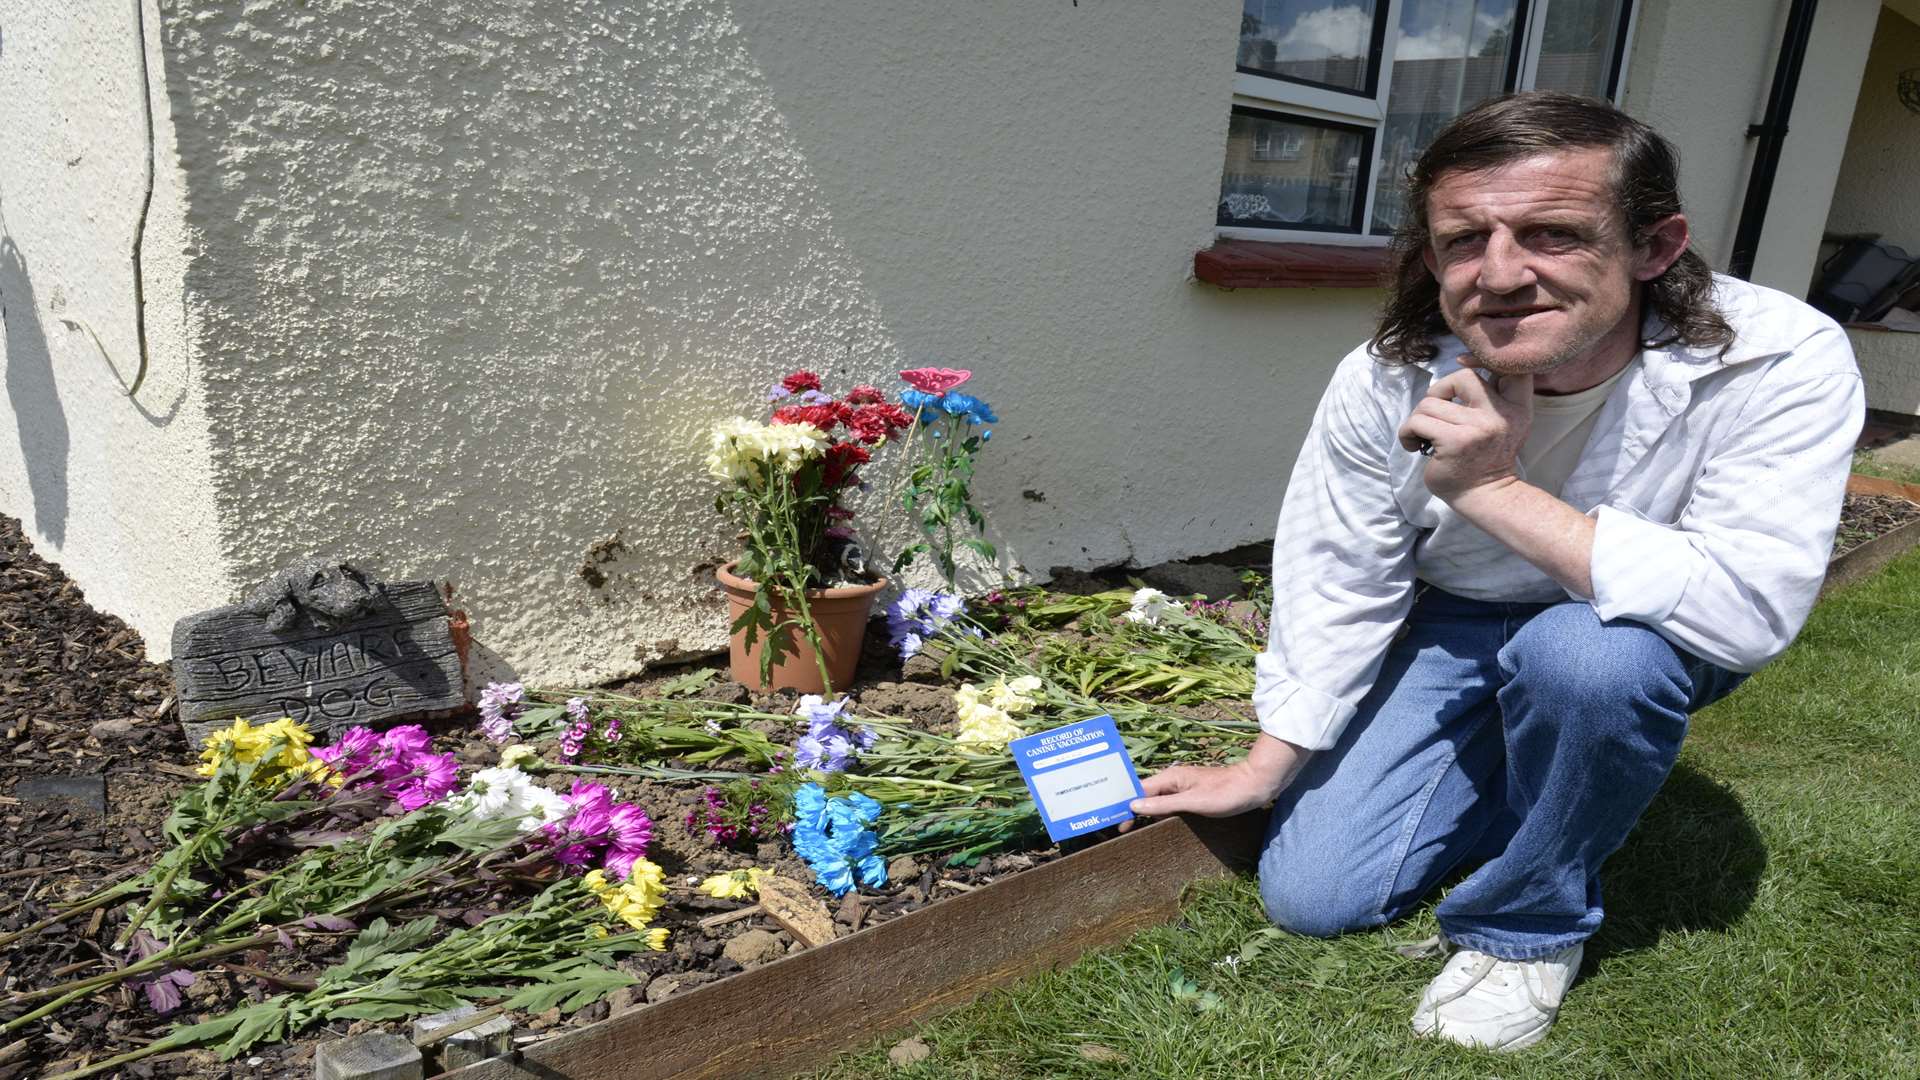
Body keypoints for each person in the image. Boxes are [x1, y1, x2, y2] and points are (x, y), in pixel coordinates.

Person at [1130, 92, 1864, 1051]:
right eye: (1465, 239)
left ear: (1655, 246)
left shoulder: (1776, 358)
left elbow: (1744, 613)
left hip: (1636, 639)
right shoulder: (1385, 375)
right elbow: (1342, 572)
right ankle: (1559, 777)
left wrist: (1488, 486)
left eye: (1552, 234)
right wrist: (1268, 763)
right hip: (1462, 616)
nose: (1502, 274)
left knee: (1590, 666)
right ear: (1432, 257)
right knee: (1316, 895)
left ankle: (1528, 925)